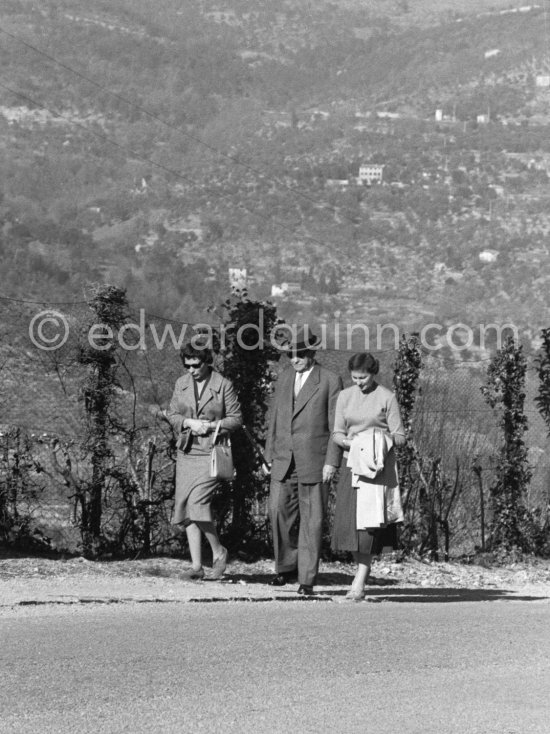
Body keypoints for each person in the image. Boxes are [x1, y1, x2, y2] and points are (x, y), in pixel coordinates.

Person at [265, 326, 343, 595]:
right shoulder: (285, 377)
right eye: (290, 354)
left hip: (315, 461)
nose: (294, 359)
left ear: (312, 352)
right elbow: (273, 418)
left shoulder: (330, 380)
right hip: (283, 459)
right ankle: (285, 567)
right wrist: (268, 455)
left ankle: (306, 578)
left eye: (299, 354)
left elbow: (337, 426)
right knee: (277, 512)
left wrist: (332, 461)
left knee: (313, 520)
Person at [331, 352, 406, 600]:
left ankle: (359, 581)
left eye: (362, 378)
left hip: (377, 471)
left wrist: (376, 443)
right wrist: (350, 443)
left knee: (369, 530)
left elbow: (399, 436)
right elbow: (337, 433)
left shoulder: (387, 397)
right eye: (354, 378)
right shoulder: (344, 396)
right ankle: (361, 572)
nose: (358, 382)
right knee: (351, 527)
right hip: (351, 466)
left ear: (373, 374)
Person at [167, 341, 242, 580]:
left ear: (206, 362)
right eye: (187, 365)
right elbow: (172, 414)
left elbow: (236, 419)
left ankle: (219, 552)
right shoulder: (181, 383)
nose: (191, 370)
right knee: (186, 507)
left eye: (196, 365)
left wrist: (210, 426)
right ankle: (197, 566)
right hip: (187, 452)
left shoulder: (223, 385)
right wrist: (189, 423)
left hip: (211, 453)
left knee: (198, 503)